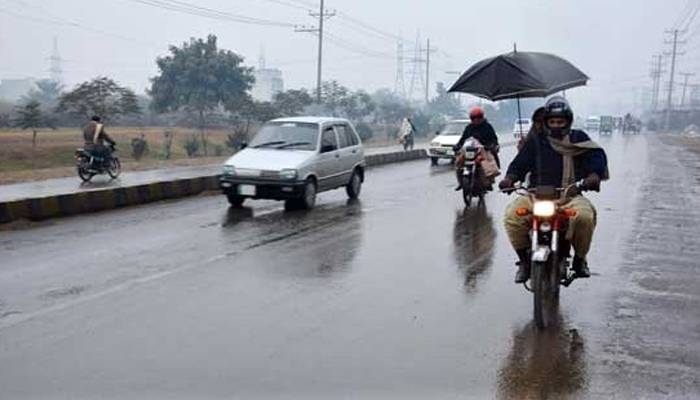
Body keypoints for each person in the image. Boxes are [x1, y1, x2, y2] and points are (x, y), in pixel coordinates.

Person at [499, 96, 608, 283]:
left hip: (570, 196)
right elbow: (519, 164)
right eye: (552, 121)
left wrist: (594, 175)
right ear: (546, 122)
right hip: (535, 195)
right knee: (512, 216)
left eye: (560, 121)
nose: (556, 125)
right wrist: (509, 179)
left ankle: (580, 260)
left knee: (584, 217)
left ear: (568, 121)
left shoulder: (578, 138)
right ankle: (524, 261)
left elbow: (596, 155)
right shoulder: (536, 141)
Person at [453, 106, 500, 190]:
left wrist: (491, 145)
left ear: (482, 118)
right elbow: (463, 139)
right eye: (474, 118)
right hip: (470, 151)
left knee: (487, 163)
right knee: (458, 162)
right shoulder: (469, 128)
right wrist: (458, 146)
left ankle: (488, 182)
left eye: (478, 118)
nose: (476, 120)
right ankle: (460, 182)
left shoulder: (487, 127)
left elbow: (494, 139)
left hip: (483, 150)